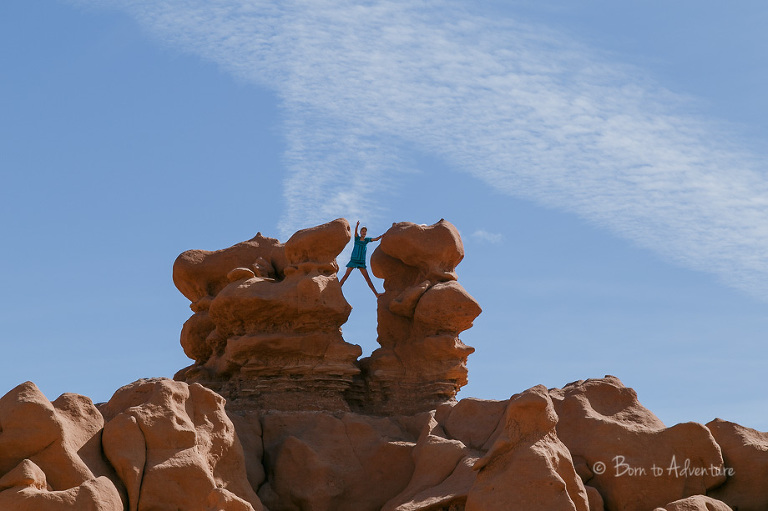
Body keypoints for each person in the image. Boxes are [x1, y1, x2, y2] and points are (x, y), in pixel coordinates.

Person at [339, 221, 382, 297]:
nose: (364, 232)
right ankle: (337, 288)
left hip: (361, 262)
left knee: (367, 279)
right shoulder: (357, 239)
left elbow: (376, 239)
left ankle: (376, 294)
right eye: (362, 231)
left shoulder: (366, 240)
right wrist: (357, 225)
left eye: (365, 231)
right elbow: (355, 233)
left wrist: (382, 236)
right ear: (360, 232)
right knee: (346, 276)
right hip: (353, 260)